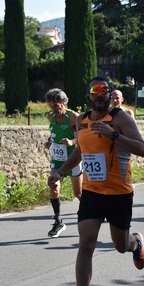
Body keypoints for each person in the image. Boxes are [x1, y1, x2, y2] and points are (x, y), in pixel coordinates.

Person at [48, 76, 144, 286]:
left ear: (110, 94)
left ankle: (135, 243)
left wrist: (114, 135)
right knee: (86, 243)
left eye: (105, 90)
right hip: (92, 192)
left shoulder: (120, 118)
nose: (100, 93)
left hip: (119, 193)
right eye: (95, 90)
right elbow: (80, 152)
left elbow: (143, 149)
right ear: (89, 96)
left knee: (120, 245)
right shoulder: (81, 121)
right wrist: (60, 172)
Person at [43, 89, 82, 238]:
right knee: (53, 187)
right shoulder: (50, 117)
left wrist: (72, 141)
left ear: (64, 103)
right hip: (57, 161)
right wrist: (49, 142)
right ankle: (58, 221)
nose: (54, 109)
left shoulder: (73, 117)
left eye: (56, 106)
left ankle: (93, 213)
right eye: (51, 106)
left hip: (73, 160)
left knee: (78, 194)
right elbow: (53, 134)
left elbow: (83, 137)